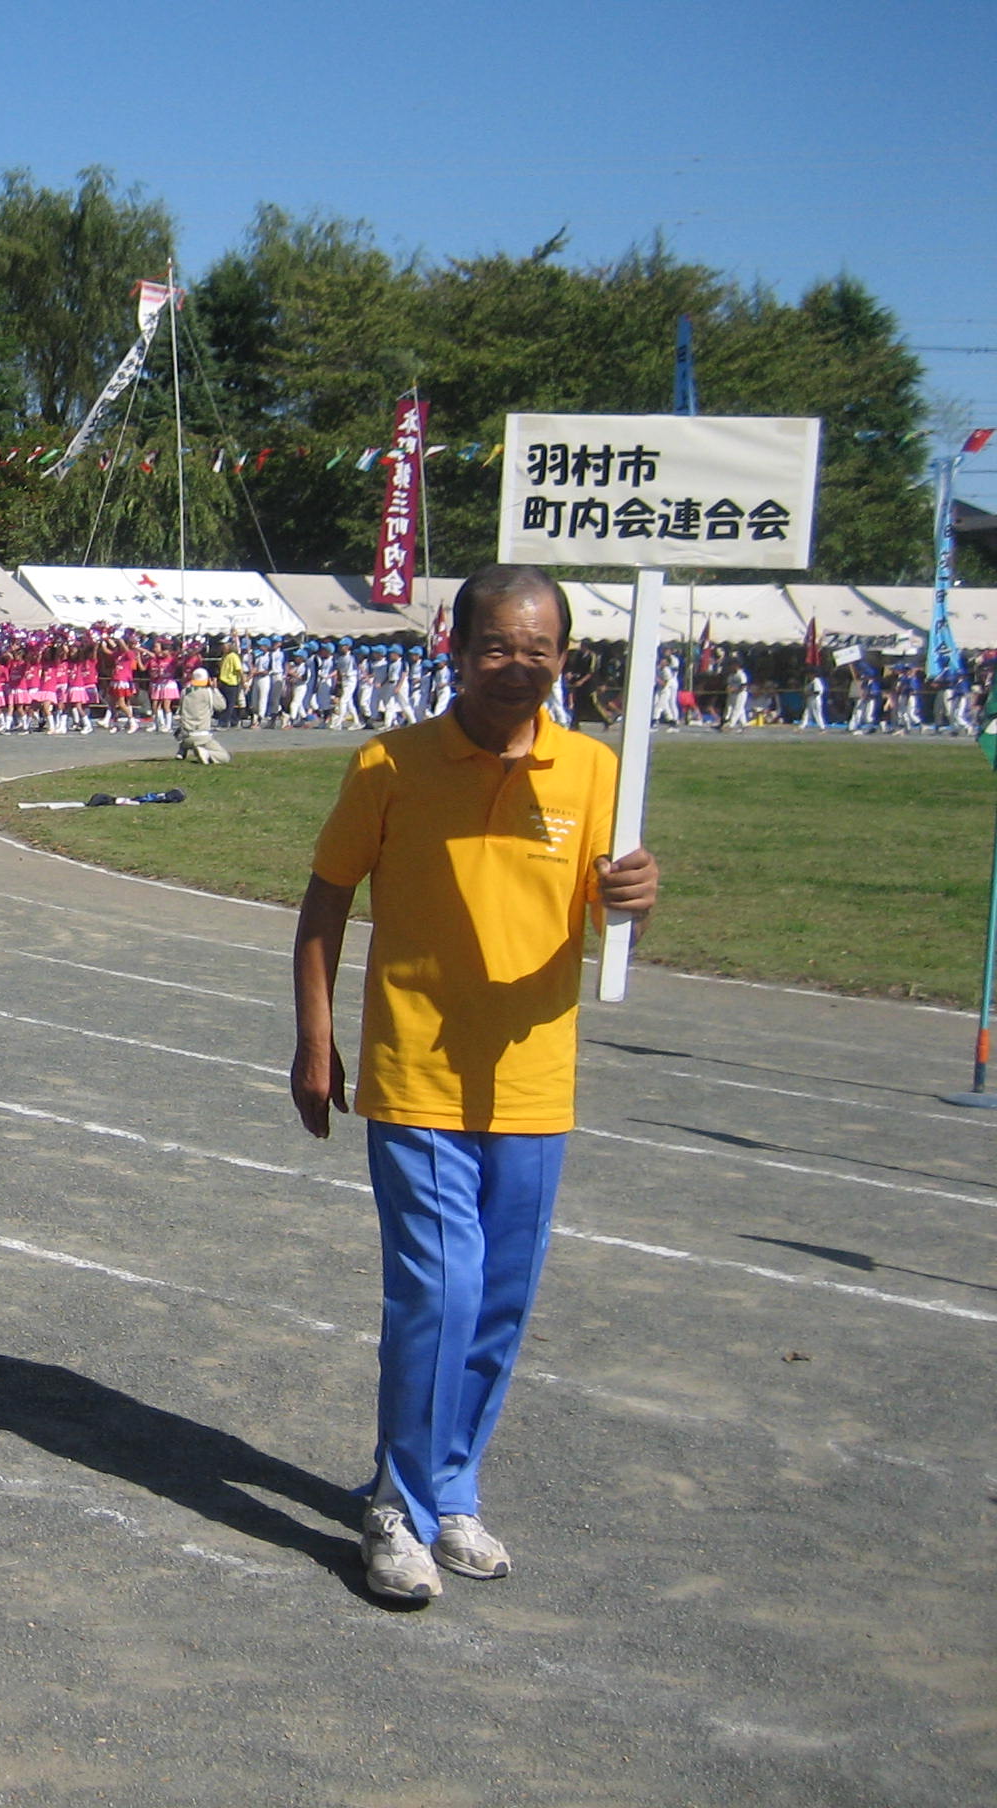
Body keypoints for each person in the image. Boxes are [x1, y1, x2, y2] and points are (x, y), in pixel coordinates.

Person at [289, 562, 658, 1604]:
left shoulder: (596, 774)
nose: (516, 666)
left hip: (535, 1082)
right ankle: (396, 1510)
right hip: (414, 1075)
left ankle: (451, 1487)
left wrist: (637, 894)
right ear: (455, 652)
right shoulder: (391, 764)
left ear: (564, 660)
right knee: (437, 1295)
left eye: (537, 649)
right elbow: (325, 903)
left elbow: (607, 914)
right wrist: (316, 1042)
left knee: (499, 1303)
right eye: (495, 646)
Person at [173, 668, 231, 765]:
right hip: (202, 736)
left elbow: (181, 710)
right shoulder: (208, 692)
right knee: (225, 757)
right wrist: (215, 689)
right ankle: (206, 754)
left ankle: (182, 751)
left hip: (186, 736)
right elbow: (221, 706)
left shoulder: (185, 692)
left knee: (186, 723)